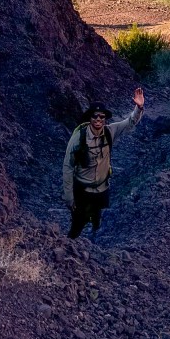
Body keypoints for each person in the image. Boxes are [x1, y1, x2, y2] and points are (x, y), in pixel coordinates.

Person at [62, 86, 144, 240]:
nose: (98, 119)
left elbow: (130, 122)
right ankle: (68, 252)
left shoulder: (109, 131)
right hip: (82, 191)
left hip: (102, 190)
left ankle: (94, 257)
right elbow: (68, 166)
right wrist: (68, 196)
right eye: (95, 116)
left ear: (105, 118)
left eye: (101, 116)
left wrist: (139, 107)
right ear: (90, 118)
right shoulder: (79, 137)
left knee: (99, 226)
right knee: (77, 225)